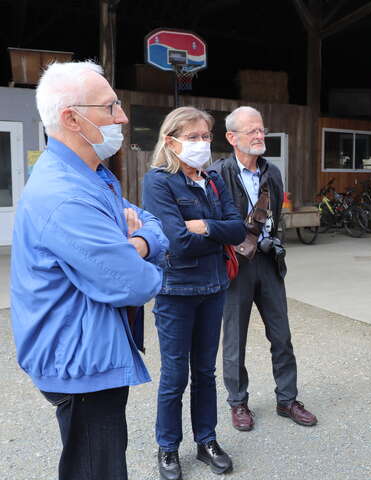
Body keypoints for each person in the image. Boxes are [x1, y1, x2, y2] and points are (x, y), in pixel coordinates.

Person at [10, 61, 168, 480]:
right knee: (97, 469)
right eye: (110, 106)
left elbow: (151, 223)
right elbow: (137, 283)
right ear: (71, 118)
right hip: (81, 363)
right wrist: (142, 251)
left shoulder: (89, 176)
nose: (123, 117)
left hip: (88, 347)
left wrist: (137, 242)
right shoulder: (67, 196)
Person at [142, 107, 245, 479]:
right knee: (174, 374)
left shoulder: (213, 179)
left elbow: (238, 229)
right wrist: (212, 233)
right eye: (194, 137)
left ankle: (207, 440)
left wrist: (205, 226)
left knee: (204, 371)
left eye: (206, 137)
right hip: (177, 291)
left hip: (214, 287)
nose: (202, 143)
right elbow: (177, 243)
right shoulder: (158, 182)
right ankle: (167, 447)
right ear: (171, 141)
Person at [211, 106, 317, 431]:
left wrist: (269, 243)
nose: (260, 136)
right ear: (232, 138)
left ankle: (287, 399)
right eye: (251, 131)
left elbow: (276, 219)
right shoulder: (218, 174)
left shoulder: (272, 172)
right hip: (236, 267)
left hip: (269, 262)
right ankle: (238, 403)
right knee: (235, 340)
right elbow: (215, 223)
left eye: (261, 130)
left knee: (281, 335)